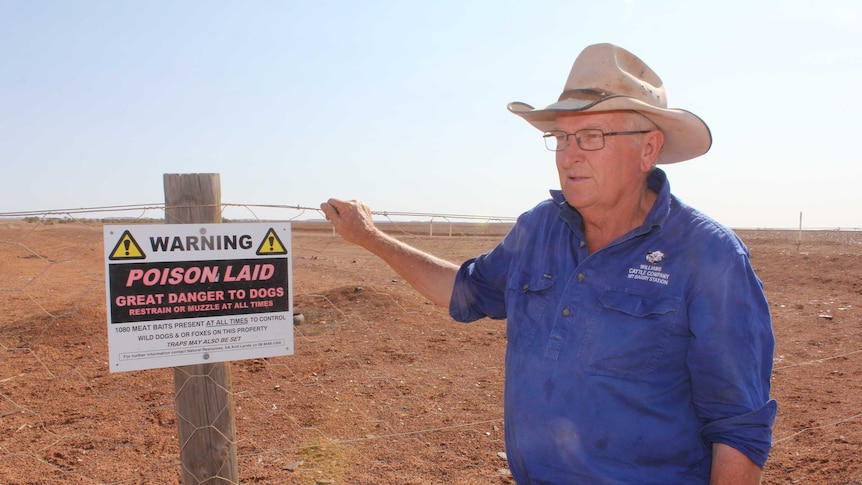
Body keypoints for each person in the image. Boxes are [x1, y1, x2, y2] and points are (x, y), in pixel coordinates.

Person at [321, 43, 776, 484]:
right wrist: (370, 238)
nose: (569, 155)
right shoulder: (539, 229)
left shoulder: (708, 255)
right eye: (561, 137)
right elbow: (464, 290)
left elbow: (738, 425)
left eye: (592, 136)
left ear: (648, 149)